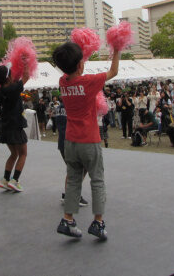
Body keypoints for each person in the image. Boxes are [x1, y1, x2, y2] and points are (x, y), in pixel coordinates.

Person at [53, 41, 120, 240]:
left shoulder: (62, 82)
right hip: (89, 140)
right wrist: (116, 48)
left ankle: (68, 219)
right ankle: (98, 223)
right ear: (80, 65)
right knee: (97, 180)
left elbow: (72, 72)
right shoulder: (89, 82)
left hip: (70, 141)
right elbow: (113, 71)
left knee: (73, 181)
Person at [0, 63, 30, 192]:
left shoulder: (1, 91)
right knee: (23, 153)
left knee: (13, 154)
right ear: (8, 78)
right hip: (16, 125)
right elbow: (27, 76)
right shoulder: (13, 89)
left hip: (6, 127)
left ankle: (5, 179)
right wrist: (25, 60)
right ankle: (15, 180)